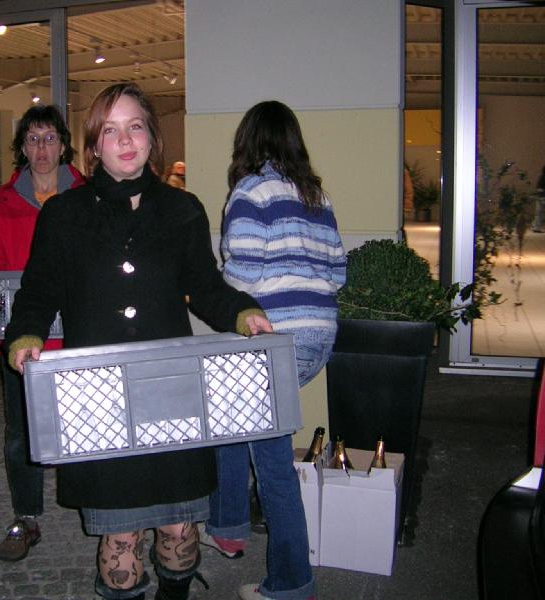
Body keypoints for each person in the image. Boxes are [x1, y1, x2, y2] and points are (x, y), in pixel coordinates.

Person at [3, 83, 273, 600]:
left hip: (170, 390)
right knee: (120, 538)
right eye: (110, 130)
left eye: (135, 127)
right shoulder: (63, 215)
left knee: (179, 529)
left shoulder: (182, 209)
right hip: (98, 395)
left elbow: (206, 287)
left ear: (151, 136)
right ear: (93, 146)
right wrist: (26, 334)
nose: (125, 140)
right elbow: (38, 292)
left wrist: (243, 313)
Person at [201, 100, 346, 600]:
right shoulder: (317, 196)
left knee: (272, 462)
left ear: (247, 141)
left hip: (273, 338)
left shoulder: (250, 191)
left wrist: (215, 287)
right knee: (229, 413)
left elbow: (241, 274)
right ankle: (227, 527)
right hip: (318, 336)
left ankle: (290, 582)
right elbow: (338, 272)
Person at [0, 104, 85, 562]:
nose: (41, 148)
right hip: (21, 336)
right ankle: (27, 515)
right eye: (32, 139)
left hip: (75, 335)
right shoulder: (3, 202)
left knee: (84, 422)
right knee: (20, 432)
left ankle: (94, 501)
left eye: (49, 138)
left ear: (63, 146)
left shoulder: (86, 196)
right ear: (22, 148)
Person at [533, 165, 545, 233]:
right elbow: (539, 188)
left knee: (539, 213)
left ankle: (536, 227)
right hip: (542, 197)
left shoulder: (541, 177)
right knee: (539, 213)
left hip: (540, 197)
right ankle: (536, 227)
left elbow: (538, 188)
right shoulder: (542, 177)